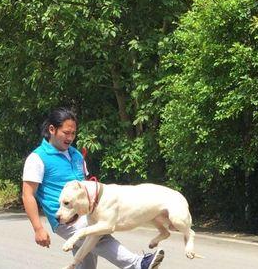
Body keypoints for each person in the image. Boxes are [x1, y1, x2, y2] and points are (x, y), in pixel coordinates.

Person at [22, 107, 164, 269]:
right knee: (98, 235)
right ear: (52, 130)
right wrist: (38, 228)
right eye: (66, 133)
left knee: (86, 264)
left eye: (73, 133)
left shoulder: (76, 155)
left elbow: (88, 186)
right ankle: (137, 264)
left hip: (86, 212)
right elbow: (28, 195)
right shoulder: (38, 158)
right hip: (66, 219)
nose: (70, 138)